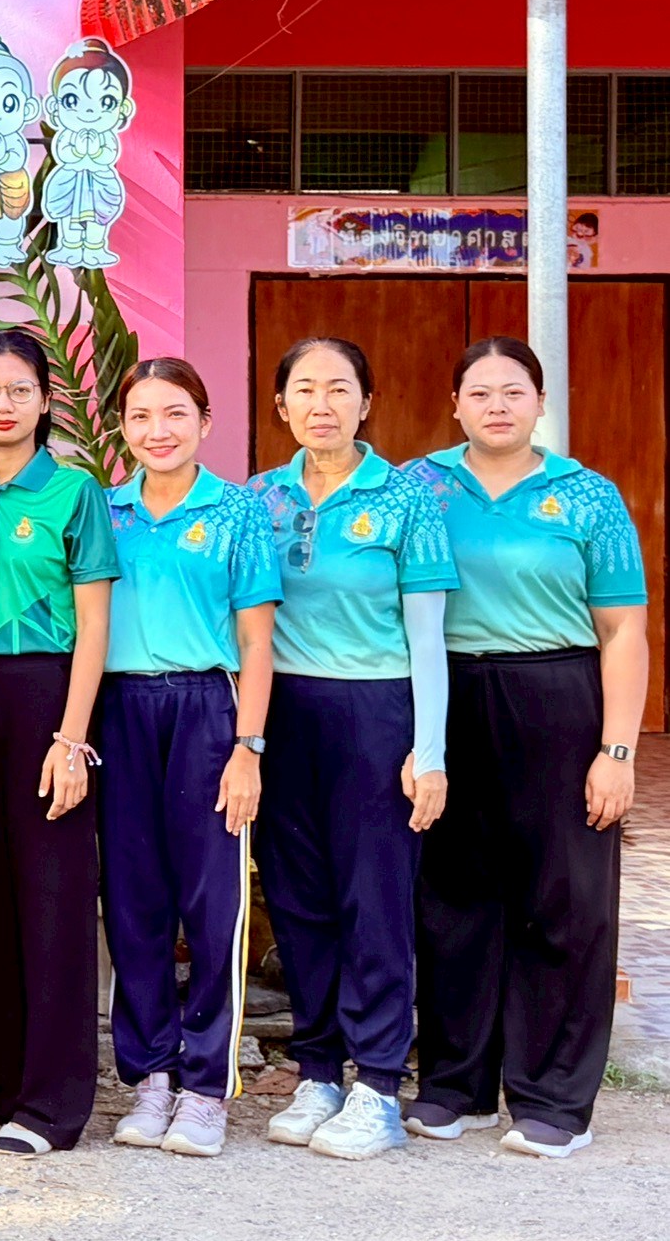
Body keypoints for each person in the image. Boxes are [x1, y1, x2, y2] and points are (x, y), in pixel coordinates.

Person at [405, 337, 646, 1160]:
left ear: (541, 403)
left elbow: (623, 631)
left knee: (564, 900)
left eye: (514, 391)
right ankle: (456, 1084)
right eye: (479, 393)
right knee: (451, 897)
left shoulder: (588, 497)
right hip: (448, 696)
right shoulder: (419, 487)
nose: (497, 406)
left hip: (558, 701)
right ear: (455, 406)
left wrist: (617, 751)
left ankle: (553, 1098)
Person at [248, 336, 454, 1161]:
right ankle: (318, 1072)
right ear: (281, 406)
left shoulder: (407, 500)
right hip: (283, 714)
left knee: (375, 900)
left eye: (340, 389)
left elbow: (429, 637)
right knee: (297, 898)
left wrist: (428, 749)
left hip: (376, 712)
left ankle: (377, 1085)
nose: (322, 404)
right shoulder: (258, 499)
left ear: (367, 403)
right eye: (305, 389)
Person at [0, 328, 118, 1155]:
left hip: (47, 696)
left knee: (51, 900)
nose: (3, 405)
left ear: (46, 401)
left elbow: (95, 626)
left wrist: (72, 739)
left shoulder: (74, 493)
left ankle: (53, 1104)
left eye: (19, 390)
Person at [99, 357, 279, 1159]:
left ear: (205, 422)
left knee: (212, 906)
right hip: (121, 711)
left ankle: (205, 1087)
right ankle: (150, 1078)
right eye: (141, 416)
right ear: (123, 428)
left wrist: (248, 747)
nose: (158, 430)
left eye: (175, 413)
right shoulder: (107, 512)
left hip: (208, 709)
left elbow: (257, 641)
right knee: (133, 902)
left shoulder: (238, 512)